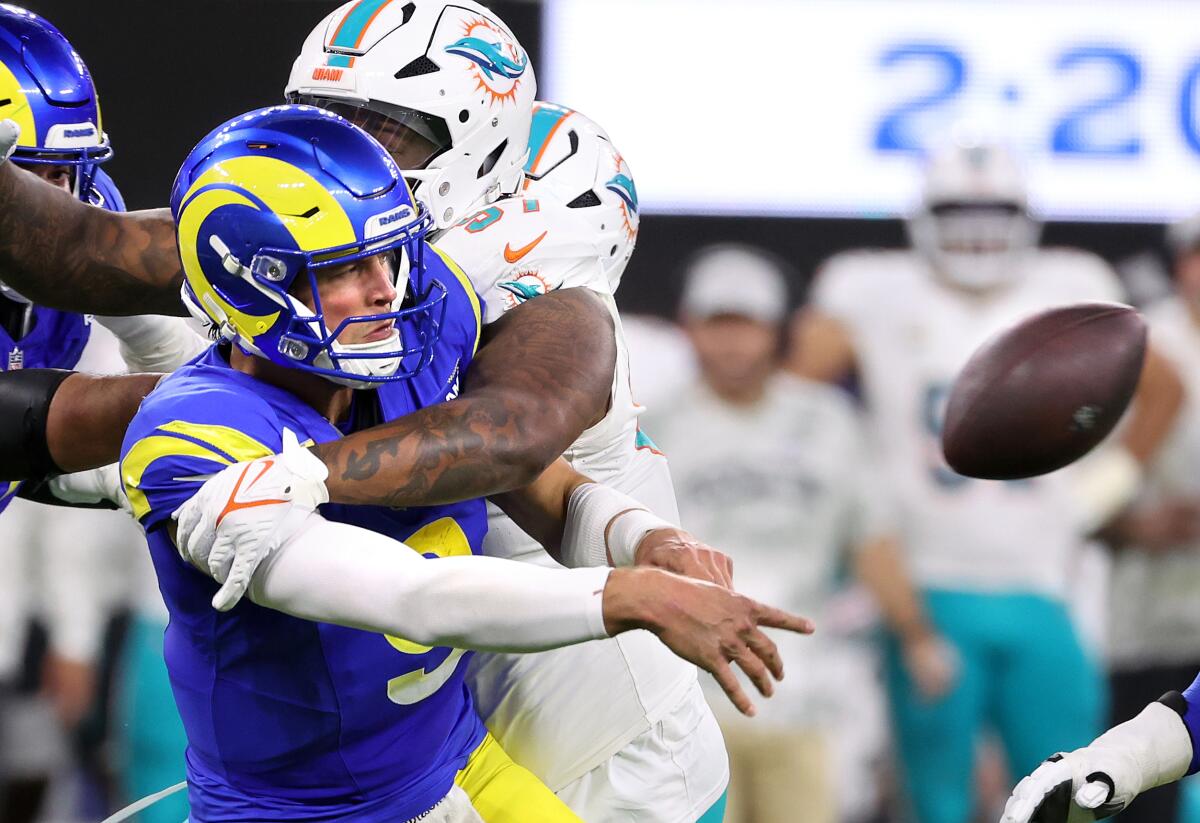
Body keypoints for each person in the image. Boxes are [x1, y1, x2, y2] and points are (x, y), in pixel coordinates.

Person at [0, 2, 735, 817]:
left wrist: (292, 472)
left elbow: (510, 440)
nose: (347, 149)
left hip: (591, 731)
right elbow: (88, 259)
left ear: (482, 150)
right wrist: (150, 466)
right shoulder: (333, 249)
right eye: (324, 116)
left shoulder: (484, 274)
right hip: (429, 734)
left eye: (385, 128)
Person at [132, 103, 810, 821]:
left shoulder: (411, 330)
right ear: (251, 284)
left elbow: (529, 480)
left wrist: (643, 538)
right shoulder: (194, 438)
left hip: (459, 762)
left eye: (387, 255)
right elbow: (411, 597)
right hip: (318, 811)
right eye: (345, 268)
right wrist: (629, 595)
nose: (385, 289)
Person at [791, 139, 1182, 823]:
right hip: (929, 584)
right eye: (958, 210)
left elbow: (1164, 386)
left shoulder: (1068, 283)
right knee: (934, 794)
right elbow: (795, 394)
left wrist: (1102, 492)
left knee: (1077, 787)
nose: (976, 229)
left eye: (994, 210)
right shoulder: (873, 289)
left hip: (1050, 578)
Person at [643, 244, 950, 823]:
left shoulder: (828, 420)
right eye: (717, 324)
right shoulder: (654, 424)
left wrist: (916, 634)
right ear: (689, 328)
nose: (733, 342)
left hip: (806, 687)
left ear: (777, 330)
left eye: (748, 325)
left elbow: (871, 536)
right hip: (686, 697)